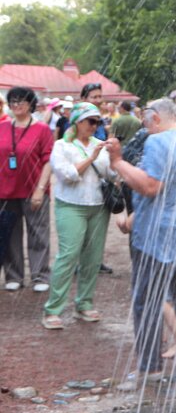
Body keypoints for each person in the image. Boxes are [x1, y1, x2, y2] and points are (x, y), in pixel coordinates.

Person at [106, 98, 176, 386]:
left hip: (158, 239)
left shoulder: (156, 143)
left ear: (156, 118)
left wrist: (118, 162)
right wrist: (135, 218)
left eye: (145, 119)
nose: (143, 125)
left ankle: (151, 370)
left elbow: (150, 186)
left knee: (147, 301)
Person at [42, 102, 114, 328]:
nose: (95, 126)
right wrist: (91, 158)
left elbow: (111, 173)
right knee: (68, 255)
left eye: (97, 121)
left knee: (93, 258)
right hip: (71, 205)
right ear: (78, 121)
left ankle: (84, 303)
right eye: (90, 121)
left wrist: (117, 157)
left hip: (98, 206)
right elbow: (68, 175)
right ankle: (53, 309)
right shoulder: (62, 146)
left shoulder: (100, 144)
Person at [0, 87, 54, 292]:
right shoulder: (3, 127)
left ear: (31, 103)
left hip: (34, 189)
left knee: (38, 234)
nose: (16, 104)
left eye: (21, 101)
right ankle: (13, 275)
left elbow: (48, 160)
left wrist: (41, 188)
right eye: (12, 101)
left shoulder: (42, 129)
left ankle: (40, 275)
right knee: (9, 233)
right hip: (5, 190)